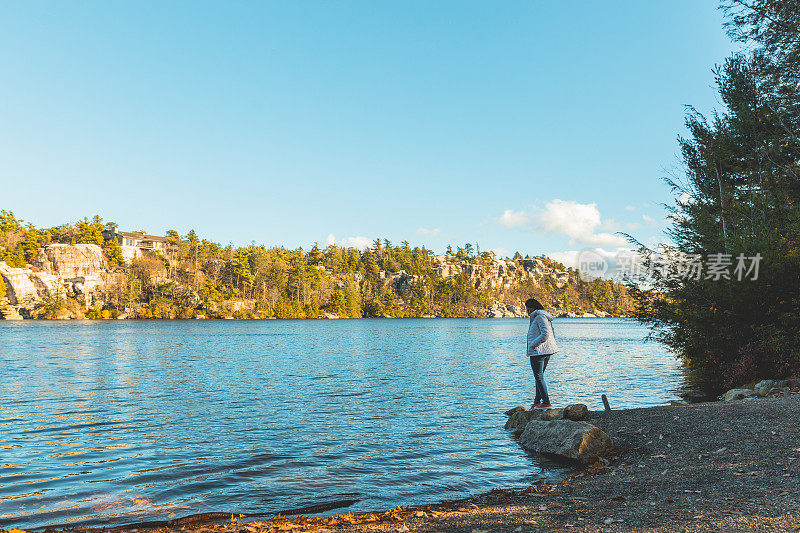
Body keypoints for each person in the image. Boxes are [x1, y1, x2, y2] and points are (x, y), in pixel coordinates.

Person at [525, 297, 558, 408]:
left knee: (538, 377)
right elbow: (551, 333)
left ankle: (546, 402)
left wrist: (533, 344)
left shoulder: (539, 317)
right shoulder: (541, 316)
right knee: (539, 377)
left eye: (528, 308)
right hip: (544, 350)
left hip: (539, 351)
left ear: (533, 308)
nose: (527, 311)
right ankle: (537, 402)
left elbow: (546, 334)